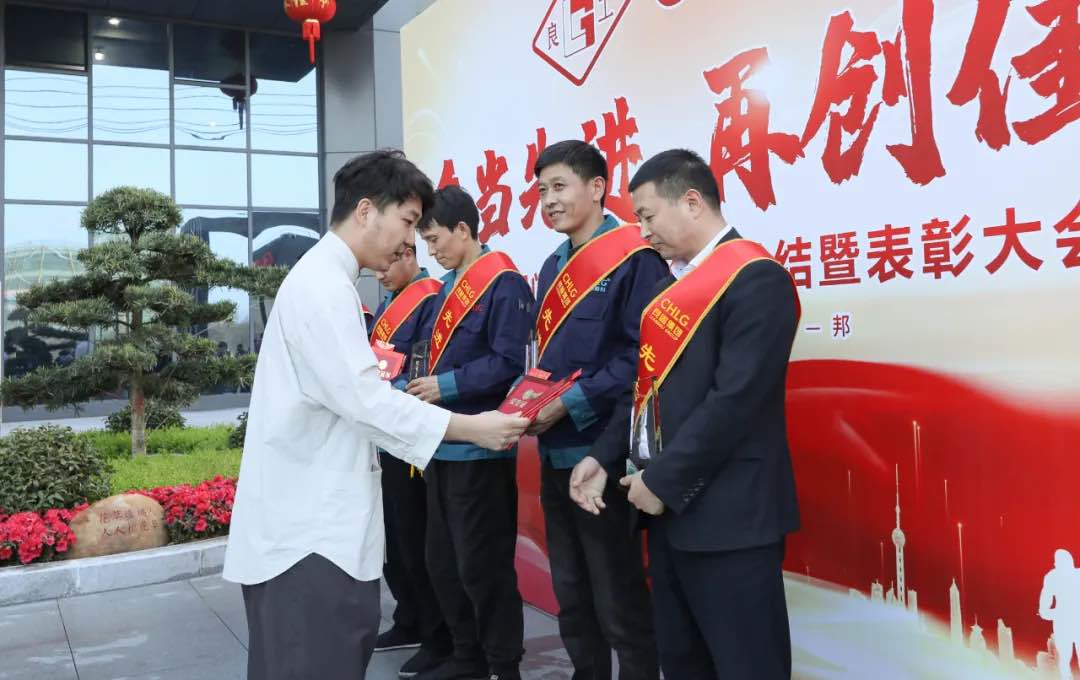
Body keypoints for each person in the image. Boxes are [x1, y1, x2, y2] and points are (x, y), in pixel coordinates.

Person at [222, 150, 529, 680]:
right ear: (366, 211)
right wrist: (473, 429)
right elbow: (366, 401)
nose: (409, 242)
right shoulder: (324, 287)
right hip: (310, 542)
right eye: (407, 223)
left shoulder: (327, 279)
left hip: (309, 531)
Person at [570, 149, 801, 679]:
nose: (642, 231)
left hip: (731, 520)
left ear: (692, 202)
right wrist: (603, 457)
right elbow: (643, 390)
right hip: (667, 516)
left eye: (648, 216)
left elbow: (735, 402)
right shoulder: (666, 286)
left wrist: (662, 480)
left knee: (747, 665)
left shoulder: (756, 279)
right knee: (681, 661)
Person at [527, 140, 665, 680]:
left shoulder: (637, 258)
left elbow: (642, 359)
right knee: (571, 594)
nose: (549, 200)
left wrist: (569, 402)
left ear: (597, 187)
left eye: (560, 187)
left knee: (618, 595)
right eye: (542, 190)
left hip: (605, 454)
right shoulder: (550, 265)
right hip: (554, 454)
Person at [406, 185, 533, 680]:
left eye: (435, 239)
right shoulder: (446, 290)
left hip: (480, 451)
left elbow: (507, 363)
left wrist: (446, 385)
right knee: (442, 562)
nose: (431, 251)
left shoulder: (504, 284)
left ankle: (503, 664)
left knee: (484, 567)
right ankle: (466, 656)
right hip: (441, 446)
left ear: (463, 230)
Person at [369, 239, 452, 677]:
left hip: (413, 439)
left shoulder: (431, 299)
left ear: (407, 253)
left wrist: (388, 393)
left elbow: (424, 368)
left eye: (385, 265)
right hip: (385, 436)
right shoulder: (389, 304)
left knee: (419, 540)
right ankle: (409, 617)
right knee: (397, 541)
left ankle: (436, 633)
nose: (379, 274)